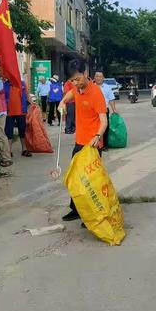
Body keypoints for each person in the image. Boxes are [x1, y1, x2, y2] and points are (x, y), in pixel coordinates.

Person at [58, 57, 108, 222]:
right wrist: (62, 102)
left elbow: (104, 120)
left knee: (91, 182)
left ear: (86, 73)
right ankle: (76, 210)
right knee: (75, 178)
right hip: (79, 142)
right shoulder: (76, 88)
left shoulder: (96, 93)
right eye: (73, 80)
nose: (76, 83)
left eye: (78, 79)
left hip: (92, 145)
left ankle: (93, 216)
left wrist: (97, 136)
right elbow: (69, 94)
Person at [4, 79, 32, 157]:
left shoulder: (22, 83)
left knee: (22, 131)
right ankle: (9, 151)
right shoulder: (4, 84)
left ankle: (24, 149)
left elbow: (27, 95)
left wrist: (32, 104)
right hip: (9, 112)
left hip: (21, 111)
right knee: (8, 131)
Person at [94, 71, 117, 151]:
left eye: (100, 76)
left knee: (105, 127)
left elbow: (111, 99)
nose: (98, 78)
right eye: (97, 76)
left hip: (104, 110)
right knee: (95, 128)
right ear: (94, 77)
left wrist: (114, 110)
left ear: (103, 78)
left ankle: (104, 145)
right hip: (93, 111)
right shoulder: (91, 87)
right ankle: (95, 143)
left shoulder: (107, 87)